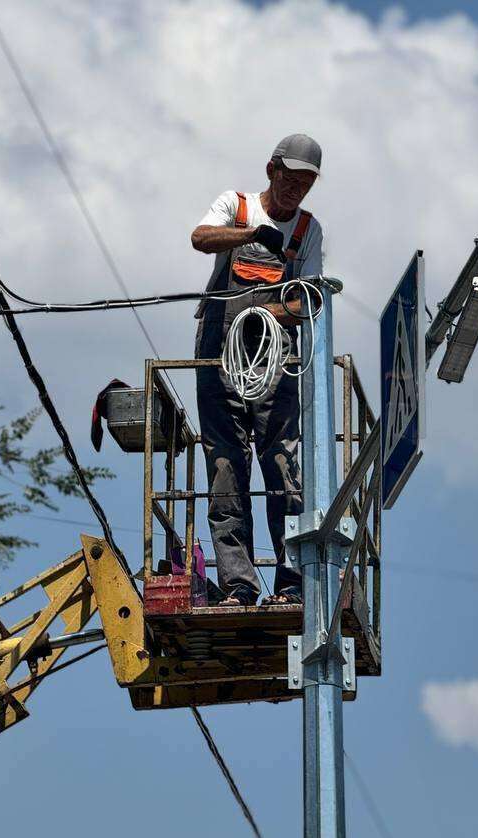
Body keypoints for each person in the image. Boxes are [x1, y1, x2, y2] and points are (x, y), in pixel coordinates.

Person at [189, 134, 325, 606]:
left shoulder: (307, 230)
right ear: (272, 170)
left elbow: (310, 300)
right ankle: (239, 584)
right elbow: (200, 238)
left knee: (283, 465)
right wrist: (250, 235)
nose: (296, 190)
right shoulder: (238, 206)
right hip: (219, 354)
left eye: (305, 183)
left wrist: (267, 314)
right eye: (290, 179)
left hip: (274, 359)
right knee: (226, 467)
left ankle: (291, 582)